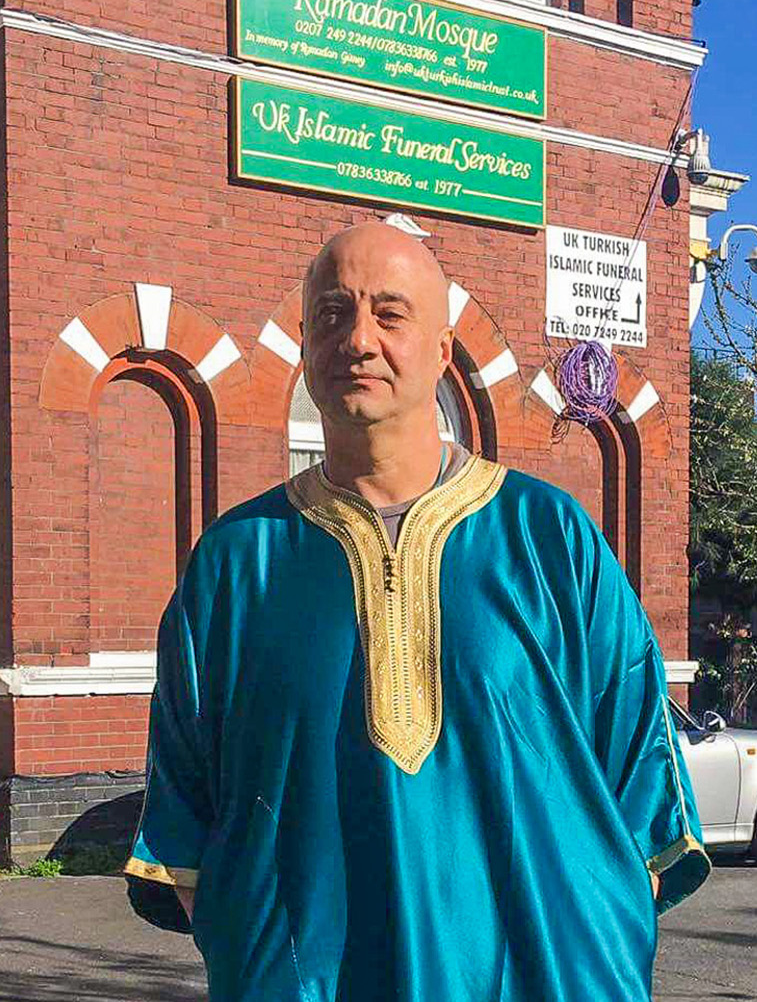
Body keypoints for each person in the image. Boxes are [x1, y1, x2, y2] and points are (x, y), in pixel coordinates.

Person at [125, 221, 706, 1000]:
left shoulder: (550, 538)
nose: (358, 339)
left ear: (440, 350)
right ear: (304, 345)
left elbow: (644, 785)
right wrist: (258, 948)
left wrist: (584, 937)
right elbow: (186, 814)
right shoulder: (236, 562)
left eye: (389, 313)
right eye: (332, 313)